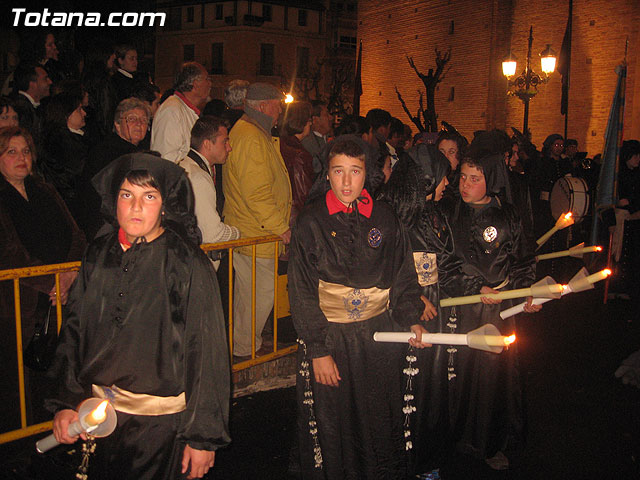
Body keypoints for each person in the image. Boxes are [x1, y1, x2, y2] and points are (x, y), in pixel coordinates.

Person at [47, 153, 230, 480]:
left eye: (148, 197)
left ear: (164, 205)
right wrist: (65, 402)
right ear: (113, 200)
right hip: (98, 422)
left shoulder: (187, 266)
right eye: (126, 195)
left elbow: (207, 354)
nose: (135, 207)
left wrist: (203, 438)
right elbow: (73, 330)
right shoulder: (97, 256)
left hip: (159, 432)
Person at [289, 136, 428, 479]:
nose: (347, 182)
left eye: (356, 171)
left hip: (376, 336)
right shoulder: (311, 222)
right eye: (339, 172)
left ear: (368, 174)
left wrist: (411, 318)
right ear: (328, 175)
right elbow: (302, 291)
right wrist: (318, 349)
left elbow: (402, 273)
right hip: (331, 336)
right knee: (332, 417)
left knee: (378, 413)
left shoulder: (384, 217)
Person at [377, 143, 478, 475]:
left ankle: (426, 457)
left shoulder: (435, 213)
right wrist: (413, 296)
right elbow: (380, 268)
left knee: (431, 390)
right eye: (442, 178)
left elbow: (447, 262)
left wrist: (477, 288)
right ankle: (404, 460)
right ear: (426, 178)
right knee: (408, 389)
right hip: (405, 313)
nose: (447, 184)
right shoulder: (390, 215)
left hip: (434, 309)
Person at [444, 153, 540, 470]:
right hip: (461, 309)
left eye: (475, 178)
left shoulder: (508, 215)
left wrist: (523, 293)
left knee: (491, 378)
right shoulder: (448, 213)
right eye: (463, 177)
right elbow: (444, 264)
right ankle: (452, 437)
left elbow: (524, 260)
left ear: (491, 181)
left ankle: (489, 441)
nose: (466, 185)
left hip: (499, 309)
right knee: (457, 374)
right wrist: (473, 287)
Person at [0, 126, 85, 431]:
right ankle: (21, 446)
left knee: (61, 369)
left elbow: (76, 234)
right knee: (19, 379)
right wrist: (52, 282)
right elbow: (9, 253)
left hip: (62, 295)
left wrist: (71, 272)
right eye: (11, 151)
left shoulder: (45, 189)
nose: (21, 157)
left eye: (25, 151)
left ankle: (60, 432)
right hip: (19, 303)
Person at [222, 82, 292, 359]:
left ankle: (246, 346)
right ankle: (244, 352)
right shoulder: (251, 137)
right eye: (277, 105)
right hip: (255, 232)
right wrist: (282, 227)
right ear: (263, 106)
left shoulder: (254, 133)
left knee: (252, 296)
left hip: (255, 230)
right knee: (256, 297)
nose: (279, 112)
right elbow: (257, 194)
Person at [178, 115, 240, 267]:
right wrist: (238, 233)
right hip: (198, 266)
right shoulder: (198, 177)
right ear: (207, 144)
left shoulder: (187, 166)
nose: (229, 147)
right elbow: (214, 234)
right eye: (224, 141)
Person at [151, 62, 212, 162]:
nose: (210, 84)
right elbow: (166, 159)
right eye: (207, 79)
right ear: (195, 84)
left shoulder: (184, 110)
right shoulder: (171, 111)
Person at [88, 97, 150, 176]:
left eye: (144, 120)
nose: (139, 123)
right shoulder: (106, 154)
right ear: (117, 124)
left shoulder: (144, 151)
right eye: (131, 119)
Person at [279, 101, 314, 228]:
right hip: (295, 219)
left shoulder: (279, 144)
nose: (311, 123)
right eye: (309, 120)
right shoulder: (299, 155)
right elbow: (302, 194)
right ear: (302, 122)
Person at [301, 100, 332, 174]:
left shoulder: (327, 139)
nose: (331, 118)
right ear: (315, 120)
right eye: (326, 115)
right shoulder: (308, 143)